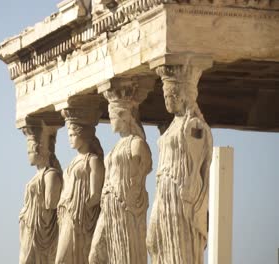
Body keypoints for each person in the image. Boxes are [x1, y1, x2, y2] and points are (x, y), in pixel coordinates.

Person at [147, 66, 213, 264]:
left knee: (180, 247)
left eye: (171, 94)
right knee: (155, 242)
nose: (167, 99)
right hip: (164, 191)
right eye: (166, 95)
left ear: (184, 95)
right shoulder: (173, 126)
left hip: (181, 194)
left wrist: (190, 187)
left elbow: (197, 162)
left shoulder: (193, 125)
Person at [89, 87, 152, 264]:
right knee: (95, 255)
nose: (110, 121)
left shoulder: (137, 144)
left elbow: (143, 172)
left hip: (125, 207)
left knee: (124, 256)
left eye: (112, 117)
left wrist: (130, 198)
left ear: (124, 117)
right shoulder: (116, 147)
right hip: (108, 206)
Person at [55, 112, 104, 264]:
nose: (69, 139)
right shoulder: (73, 161)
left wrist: (82, 209)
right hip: (66, 214)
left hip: (79, 216)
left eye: (72, 135)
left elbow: (95, 194)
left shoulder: (93, 160)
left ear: (83, 135)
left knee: (62, 260)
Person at [19, 124, 62, 264]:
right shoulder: (38, 176)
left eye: (28, 153)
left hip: (40, 230)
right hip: (30, 226)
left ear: (38, 151)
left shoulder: (51, 175)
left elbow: (51, 205)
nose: (27, 156)